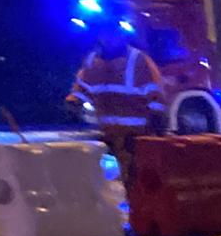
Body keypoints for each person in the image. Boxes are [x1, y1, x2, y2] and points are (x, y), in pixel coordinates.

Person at [64, 15, 166, 176]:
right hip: (110, 137)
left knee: (136, 181)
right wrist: (73, 103)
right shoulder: (93, 61)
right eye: (103, 34)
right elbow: (81, 89)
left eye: (111, 33)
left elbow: (157, 99)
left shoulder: (138, 60)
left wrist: (157, 131)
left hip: (136, 138)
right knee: (118, 182)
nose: (108, 38)